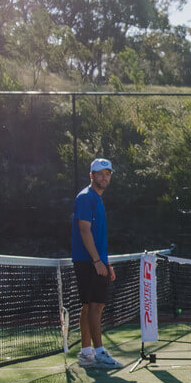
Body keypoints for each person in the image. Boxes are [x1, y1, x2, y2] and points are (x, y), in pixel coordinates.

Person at [70, 158, 124, 369]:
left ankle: (86, 353)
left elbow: (98, 237)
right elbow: (84, 230)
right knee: (95, 306)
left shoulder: (96, 199)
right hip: (88, 261)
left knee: (90, 306)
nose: (104, 177)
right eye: (100, 173)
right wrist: (96, 261)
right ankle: (99, 352)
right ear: (91, 175)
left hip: (96, 261)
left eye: (107, 173)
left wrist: (106, 263)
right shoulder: (85, 198)